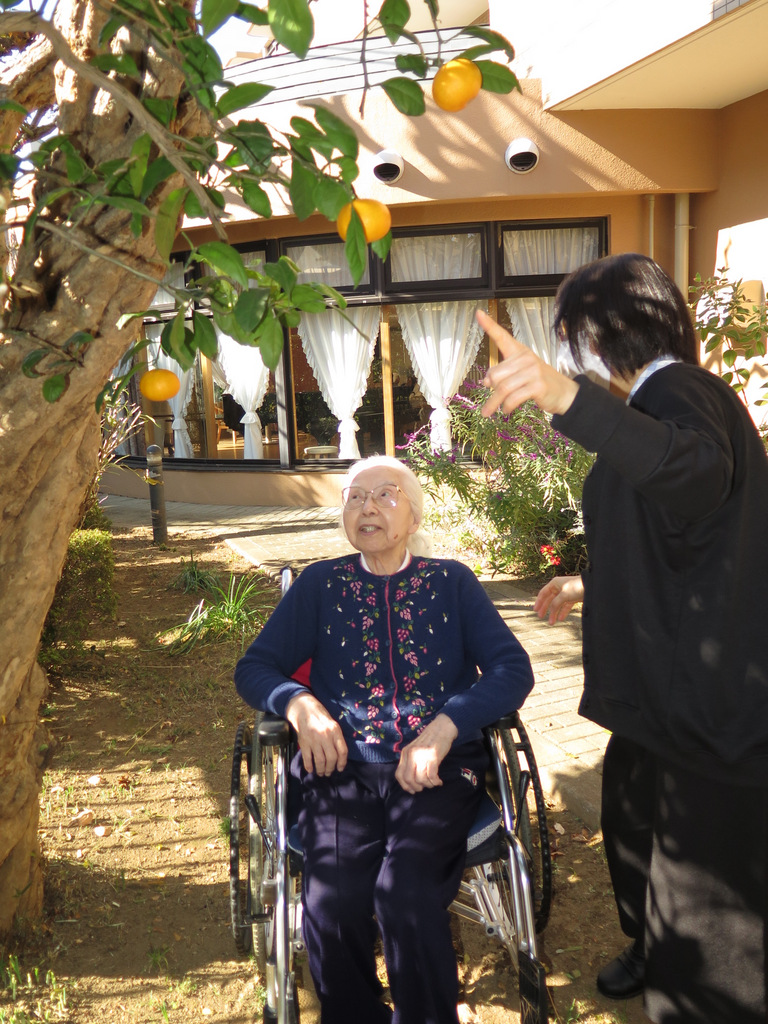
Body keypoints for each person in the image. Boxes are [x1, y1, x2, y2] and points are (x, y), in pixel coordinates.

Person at [479, 252, 768, 1024]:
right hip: (663, 697)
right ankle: (647, 946)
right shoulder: (663, 399)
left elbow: (696, 475)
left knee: (708, 918)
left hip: (704, 712)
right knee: (632, 819)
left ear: (591, 338)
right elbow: (685, 533)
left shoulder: (682, 392)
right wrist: (591, 583)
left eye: (568, 336)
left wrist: (564, 397)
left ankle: (686, 979)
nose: (565, 349)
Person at [234, 455, 534, 1024]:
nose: (367, 506)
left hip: (437, 769)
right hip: (339, 767)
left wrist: (445, 728)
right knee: (331, 902)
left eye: (385, 495)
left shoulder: (452, 582)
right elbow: (256, 668)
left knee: (408, 895)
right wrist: (301, 706)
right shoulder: (320, 584)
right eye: (354, 497)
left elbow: (511, 670)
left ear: (414, 516)